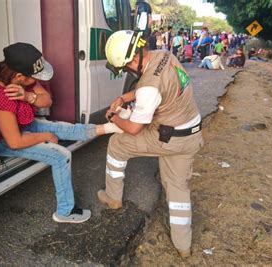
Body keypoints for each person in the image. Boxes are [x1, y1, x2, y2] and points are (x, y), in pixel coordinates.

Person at [0, 42, 122, 224]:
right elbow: (15, 142)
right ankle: (65, 212)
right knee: (61, 155)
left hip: (17, 125)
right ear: (20, 77)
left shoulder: (7, 69)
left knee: (59, 126)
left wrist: (29, 96)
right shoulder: (0, 94)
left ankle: (109, 128)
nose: (38, 81)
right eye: (34, 78)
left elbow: (47, 100)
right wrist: (46, 137)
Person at [100, 30, 204, 258]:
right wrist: (125, 97)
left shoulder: (148, 87)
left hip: (168, 137)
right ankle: (183, 246)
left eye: (125, 67)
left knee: (117, 143)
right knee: (178, 188)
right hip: (192, 133)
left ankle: (113, 197)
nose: (126, 71)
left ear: (134, 60)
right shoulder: (163, 55)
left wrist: (113, 117)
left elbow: (135, 128)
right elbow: (155, 84)